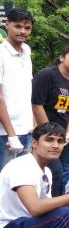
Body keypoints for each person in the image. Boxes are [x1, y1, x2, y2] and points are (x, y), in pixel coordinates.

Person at [32, 43, 69, 196]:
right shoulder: (47, 75)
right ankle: (55, 208)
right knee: (55, 171)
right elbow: (36, 105)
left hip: (63, 138)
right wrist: (48, 133)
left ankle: (59, 207)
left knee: (63, 173)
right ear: (62, 57)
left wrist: (68, 134)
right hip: (44, 135)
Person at [0, 9, 34, 170]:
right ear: (7, 25)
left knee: (22, 182)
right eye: (17, 26)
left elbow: (26, 90)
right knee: (4, 183)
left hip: (27, 129)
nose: (22, 31)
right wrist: (11, 135)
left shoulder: (26, 51)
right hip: (5, 133)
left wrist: (33, 123)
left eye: (27, 28)